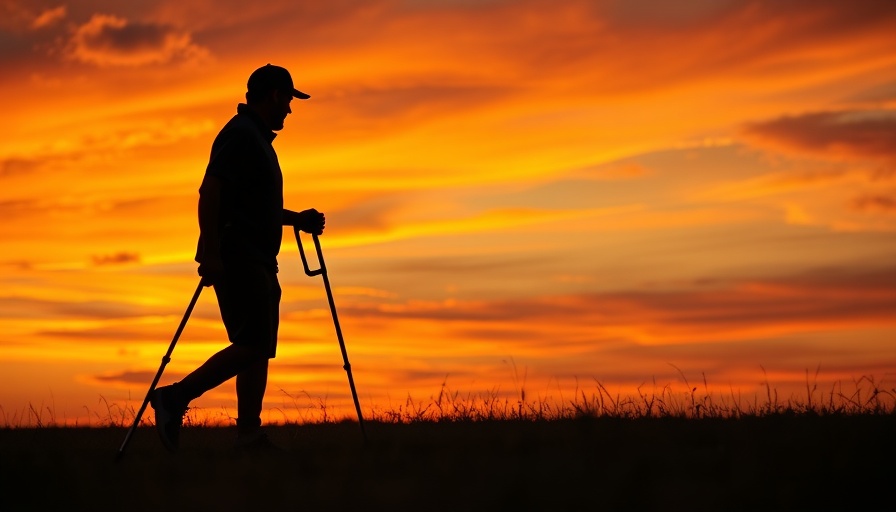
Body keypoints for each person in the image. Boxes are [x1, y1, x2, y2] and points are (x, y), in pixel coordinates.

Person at [151, 64, 325, 452]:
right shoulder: (242, 136)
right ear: (274, 95)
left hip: (258, 257)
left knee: (256, 345)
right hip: (238, 256)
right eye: (287, 99)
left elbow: (254, 205)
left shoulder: (256, 139)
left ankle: (248, 432)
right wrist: (211, 252)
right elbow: (210, 191)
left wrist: (297, 219)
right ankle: (175, 397)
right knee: (253, 343)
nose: (290, 110)